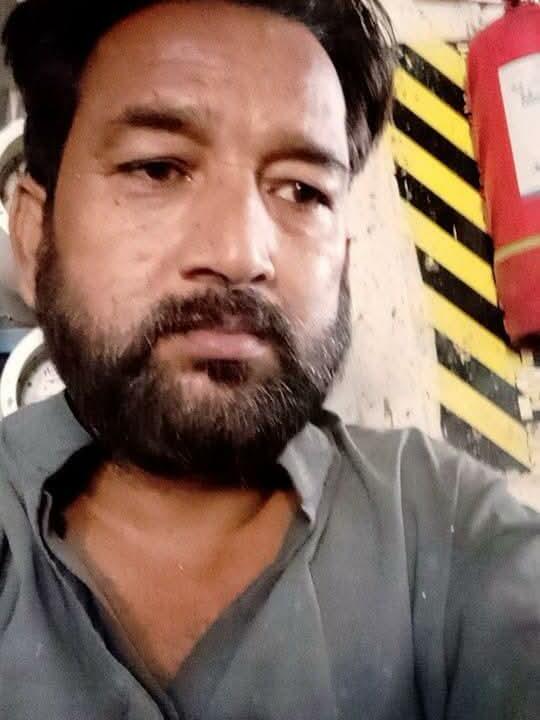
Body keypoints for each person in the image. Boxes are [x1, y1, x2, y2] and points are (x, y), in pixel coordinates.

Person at [0, 0, 538, 718]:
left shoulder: (448, 531)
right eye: (158, 169)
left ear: (344, 256)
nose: (240, 253)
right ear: (34, 235)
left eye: (302, 191)